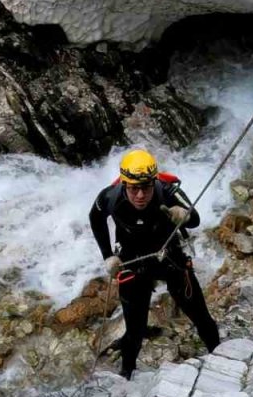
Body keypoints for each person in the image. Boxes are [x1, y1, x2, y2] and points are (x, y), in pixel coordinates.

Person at [89, 149, 221, 378]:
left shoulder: (167, 191)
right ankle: (126, 373)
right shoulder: (110, 197)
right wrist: (108, 255)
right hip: (133, 261)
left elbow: (195, 217)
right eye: (134, 189)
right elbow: (95, 219)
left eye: (146, 187)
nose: (140, 195)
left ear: (154, 182)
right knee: (135, 330)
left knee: (201, 316)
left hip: (169, 257)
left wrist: (184, 215)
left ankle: (221, 357)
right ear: (125, 185)